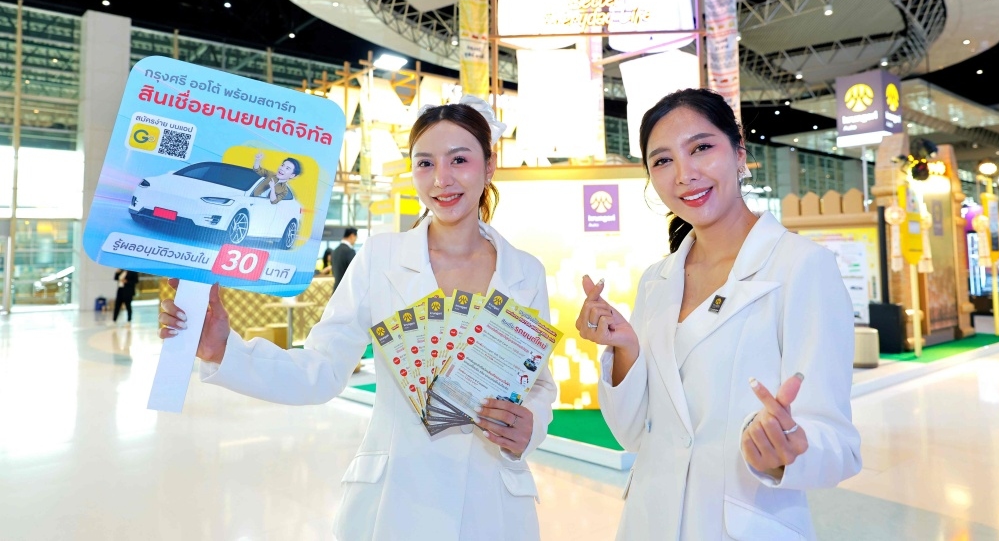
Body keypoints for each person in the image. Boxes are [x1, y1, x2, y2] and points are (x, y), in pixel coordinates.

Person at [159, 96, 555, 540]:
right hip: (396, 502)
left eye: (459, 160)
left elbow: (537, 381)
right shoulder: (380, 259)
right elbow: (322, 369)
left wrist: (532, 423)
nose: (441, 179)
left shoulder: (525, 272)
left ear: (489, 166)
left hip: (493, 504)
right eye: (425, 163)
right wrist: (223, 350)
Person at [576, 89, 861, 540]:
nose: (684, 174)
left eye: (701, 148)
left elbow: (838, 444)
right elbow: (633, 434)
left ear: (739, 152)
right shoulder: (656, 280)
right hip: (649, 521)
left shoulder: (802, 267)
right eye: (663, 160)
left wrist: (788, 450)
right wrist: (626, 348)